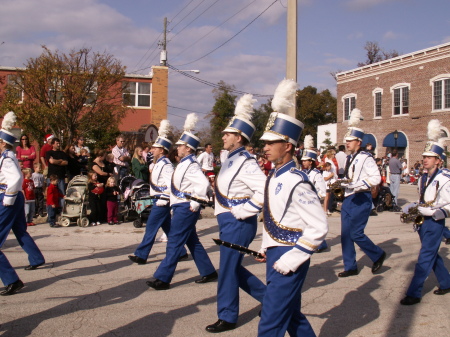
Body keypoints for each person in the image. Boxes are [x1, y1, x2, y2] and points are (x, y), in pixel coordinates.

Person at [256, 79, 328, 337]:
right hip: (276, 252)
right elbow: (276, 218)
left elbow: (318, 227)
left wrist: (294, 257)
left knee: (271, 321)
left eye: (270, 143)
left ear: (287, 146)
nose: (264, 147)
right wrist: (266, 247)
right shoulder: (273, 176)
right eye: (264, 143)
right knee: (291, 316)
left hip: (291, 255)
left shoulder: (297, 181)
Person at [205, 94, 266, 333]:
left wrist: (245, 210)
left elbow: (264, 189)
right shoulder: (230, 159)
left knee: (228, 270)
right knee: (233, 269)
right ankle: (272, 299)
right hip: (228, 221)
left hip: (238, 222)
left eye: (227, 134)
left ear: (238, 138)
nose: (222, 137)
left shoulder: (247, 162)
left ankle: (228, 316)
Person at [146, 113, 217, 290]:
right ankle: (208, 271)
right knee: (192, 241)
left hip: (186, 208)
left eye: (180, 145)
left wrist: (196, 203)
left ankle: (163, 278)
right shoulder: (184, 163)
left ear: (188, 148)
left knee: (175, 242)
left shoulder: (191, 165)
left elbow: (202, 184)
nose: (177, 148)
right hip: (180, 206)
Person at [400, 119, 450, 305]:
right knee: (432, 255)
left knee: (424, 258)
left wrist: (436, 213)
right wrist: (413, 206)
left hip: (435, 223)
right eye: (424, 156)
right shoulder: (422, 178)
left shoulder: (445, 178)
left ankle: (414, 293)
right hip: (423, 223)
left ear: (438, 160)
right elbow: (424, 199)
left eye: (429, 157)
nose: (425, 159)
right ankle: (446, 282)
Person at [128, 120, 188, 265]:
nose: (152, 150)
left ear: (162, 150)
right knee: (168, 227)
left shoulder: (166, 165)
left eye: (155, 148)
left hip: (161, 200)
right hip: (158, 199)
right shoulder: (159, 163)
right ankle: (181, 252)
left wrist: (164, 198)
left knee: (151, 227)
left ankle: (141, 255)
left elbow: (171, 184)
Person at [0, 112, 45, 296]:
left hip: (9, 198)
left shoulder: (7, 157)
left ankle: (12, 280)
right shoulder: (8, 155)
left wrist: (7, 200)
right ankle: (36, 258)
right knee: (19, 230)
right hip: (15, 197)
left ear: (3, 143)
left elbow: (16, 178)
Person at [338, 108, 386, 278]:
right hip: (349, 198)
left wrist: (358, 185)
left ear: (358, 141)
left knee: (356, 233)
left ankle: (377, 254)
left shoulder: (366, 157)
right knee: (345, 235)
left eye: (350, 140)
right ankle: (350, 266)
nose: (347, 143)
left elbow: (376, 178)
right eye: (347, 140)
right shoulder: (350, 157)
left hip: (360, 197)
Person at [46, 138, 68, 203]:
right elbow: (51, 161)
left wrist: (56, 161)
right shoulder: (49, 153)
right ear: (53, 144)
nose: (58, 145)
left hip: (61, 176)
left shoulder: (62, 153)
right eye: (57, 143)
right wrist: (60, 161)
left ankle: (61, 210)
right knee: (51, 193)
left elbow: (66, 162)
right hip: (51, 176)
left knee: (61, 193)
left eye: (59, 143)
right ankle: (52, 209)